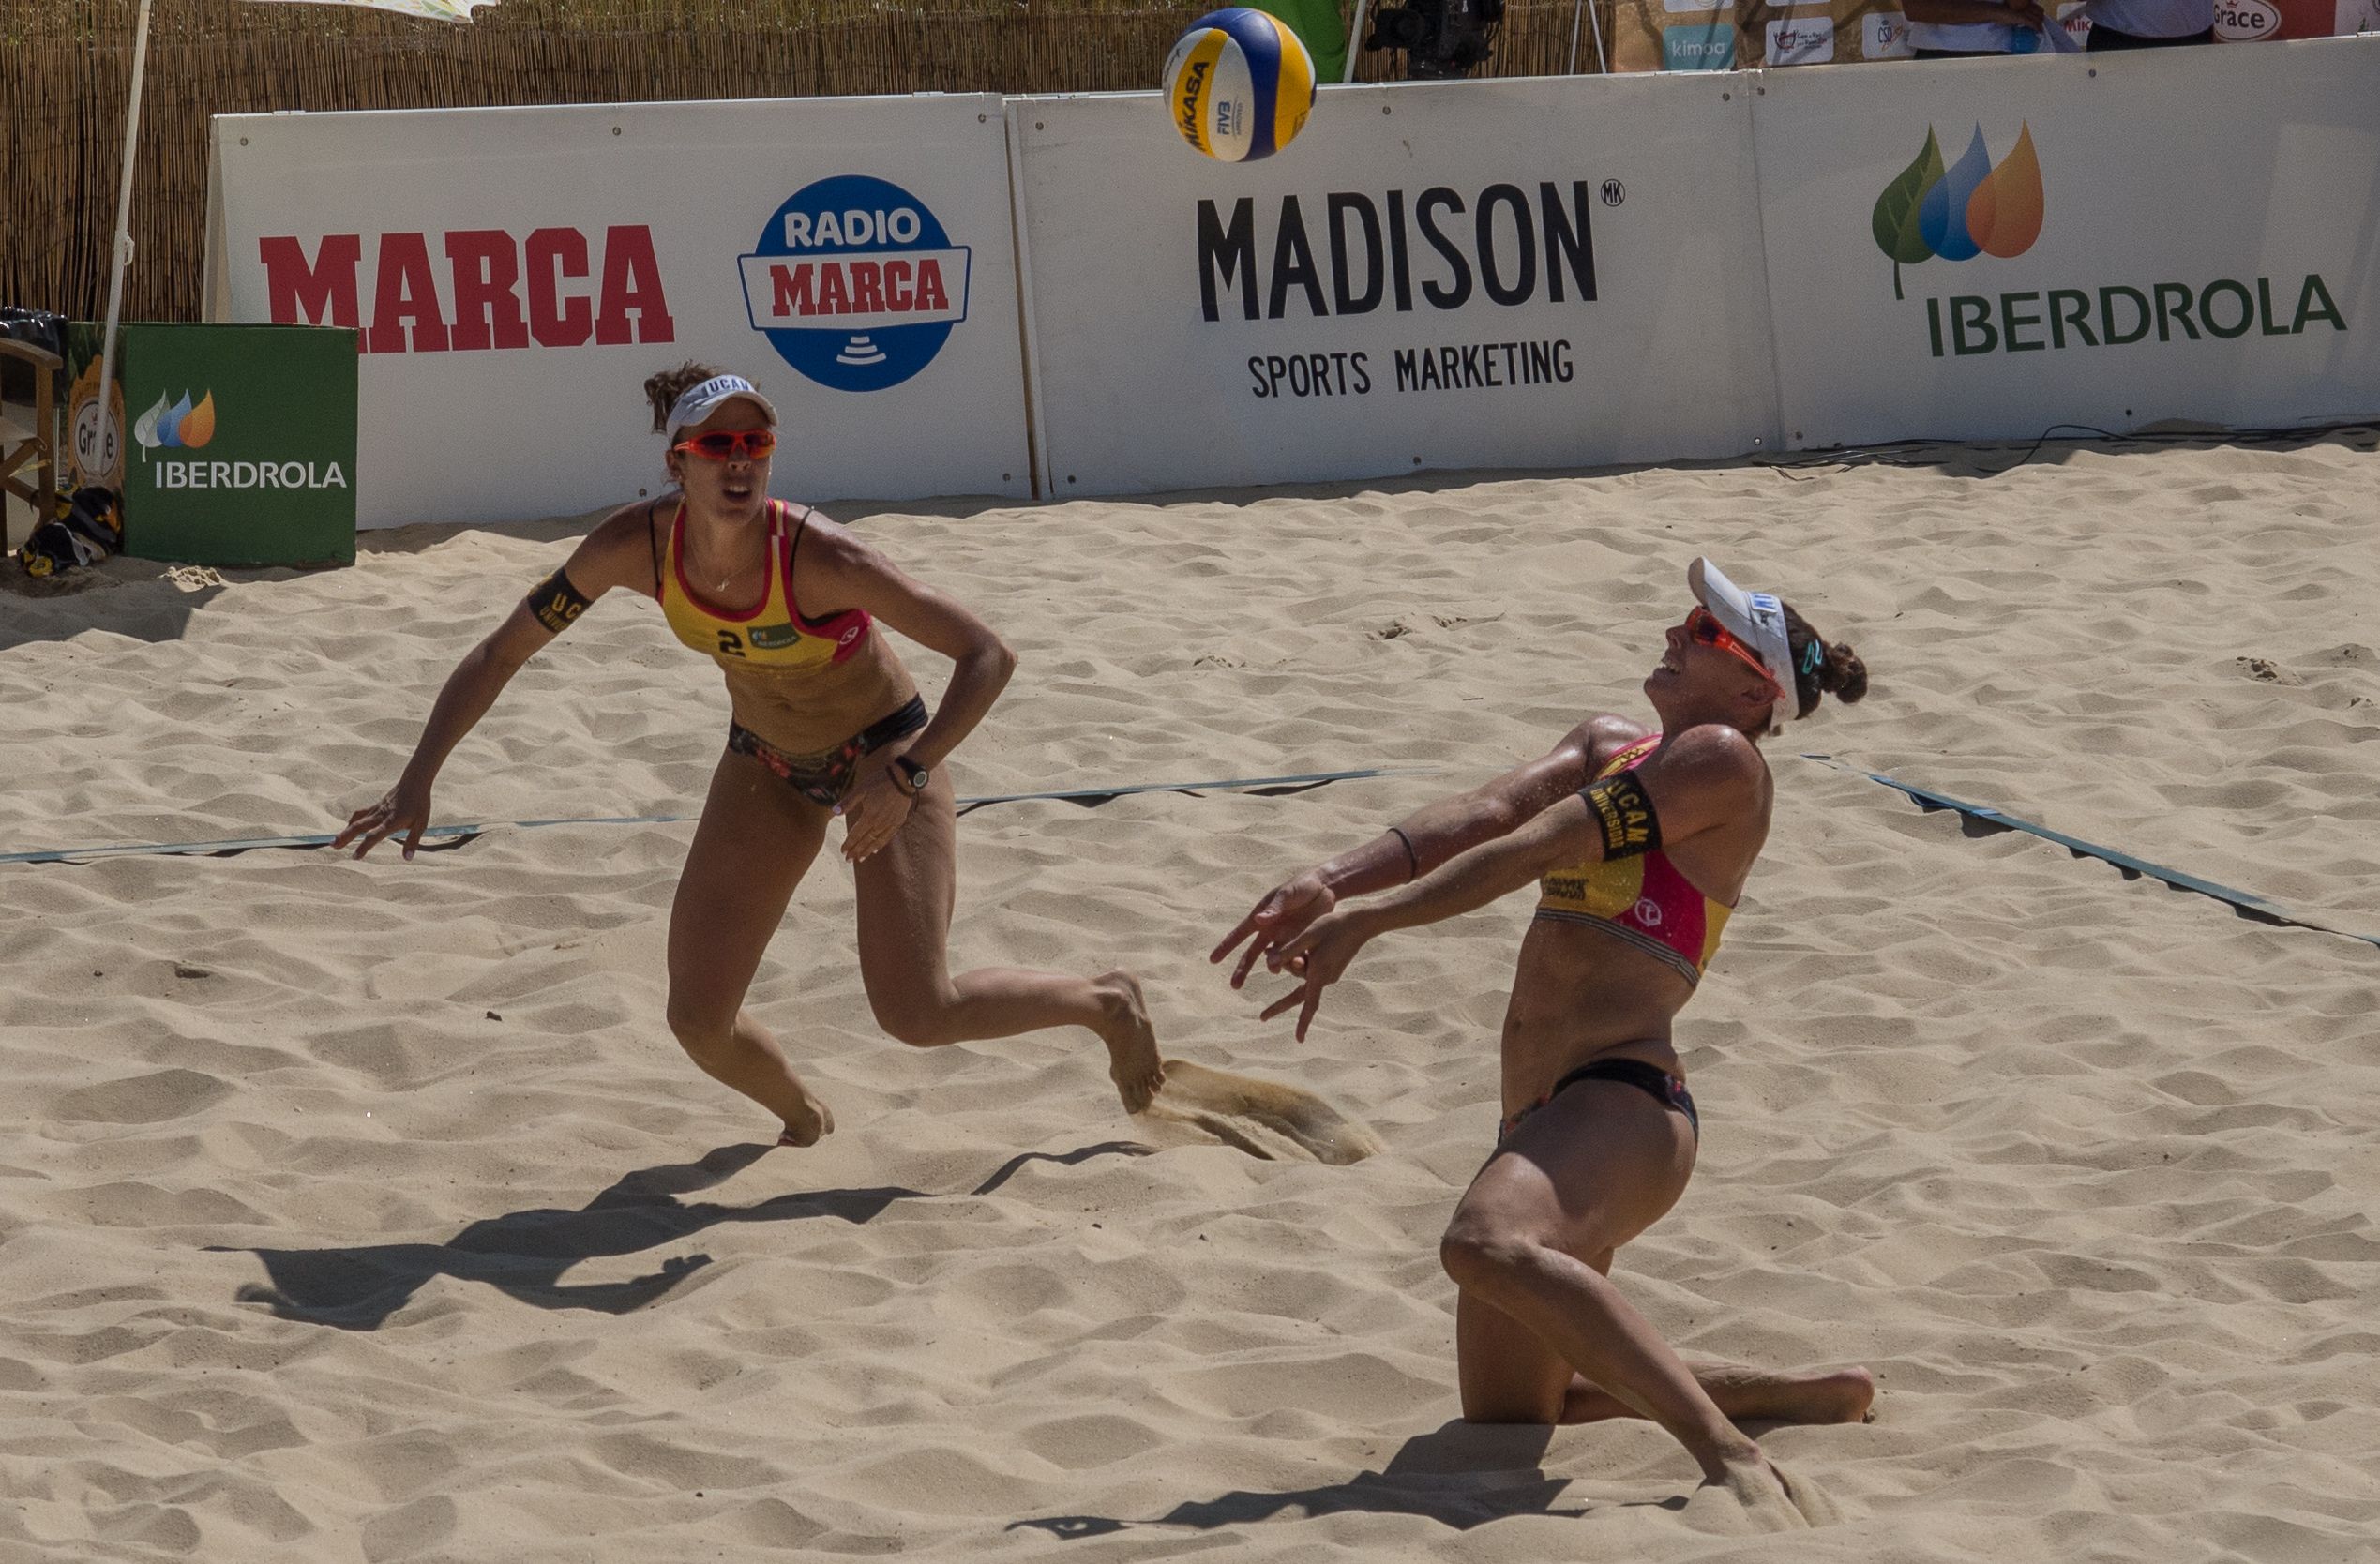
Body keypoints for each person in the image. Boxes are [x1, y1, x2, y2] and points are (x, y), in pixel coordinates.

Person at [336, 364, 1165, 1145]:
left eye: (754, 445)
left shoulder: (823, 556)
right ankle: (806, 1121)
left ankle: (1107, 1005)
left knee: (918, 1012)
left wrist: (909, 774)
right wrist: (418, 778)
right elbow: (501, 652)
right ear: (678, 463)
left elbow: (988, 654)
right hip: (764, 762)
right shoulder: (634, 546)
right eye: (716, 447)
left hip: (884, 755)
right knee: (697, 1020)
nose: (738, 463)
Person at [1213, 559, 1873, 1520]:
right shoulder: (1615, 743)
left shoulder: (1724, 760)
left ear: (1751, 688)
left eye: (1703, 628)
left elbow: (1536, 848)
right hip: (1541, 1114)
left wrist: (1374, 922)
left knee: (1483, 1242)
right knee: (1517, 1411)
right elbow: (1483, 816)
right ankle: (1787, 1394)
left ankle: (1729, 1458)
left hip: (1626, 1100)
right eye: (1689, 616)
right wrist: (1334, 876)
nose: (1677, 632)